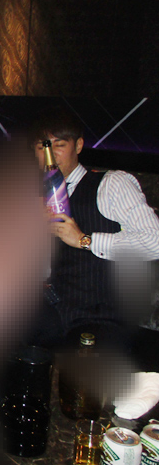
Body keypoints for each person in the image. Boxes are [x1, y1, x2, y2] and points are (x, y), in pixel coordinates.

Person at [31, 111, 159, 343]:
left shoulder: (112, 184)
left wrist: (84, 240)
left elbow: (154, 241)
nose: (50, 154)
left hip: (103, 315)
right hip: (56, 308)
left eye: (59, 145)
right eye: (43, 146)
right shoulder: (38, 195)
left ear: (78, 146)